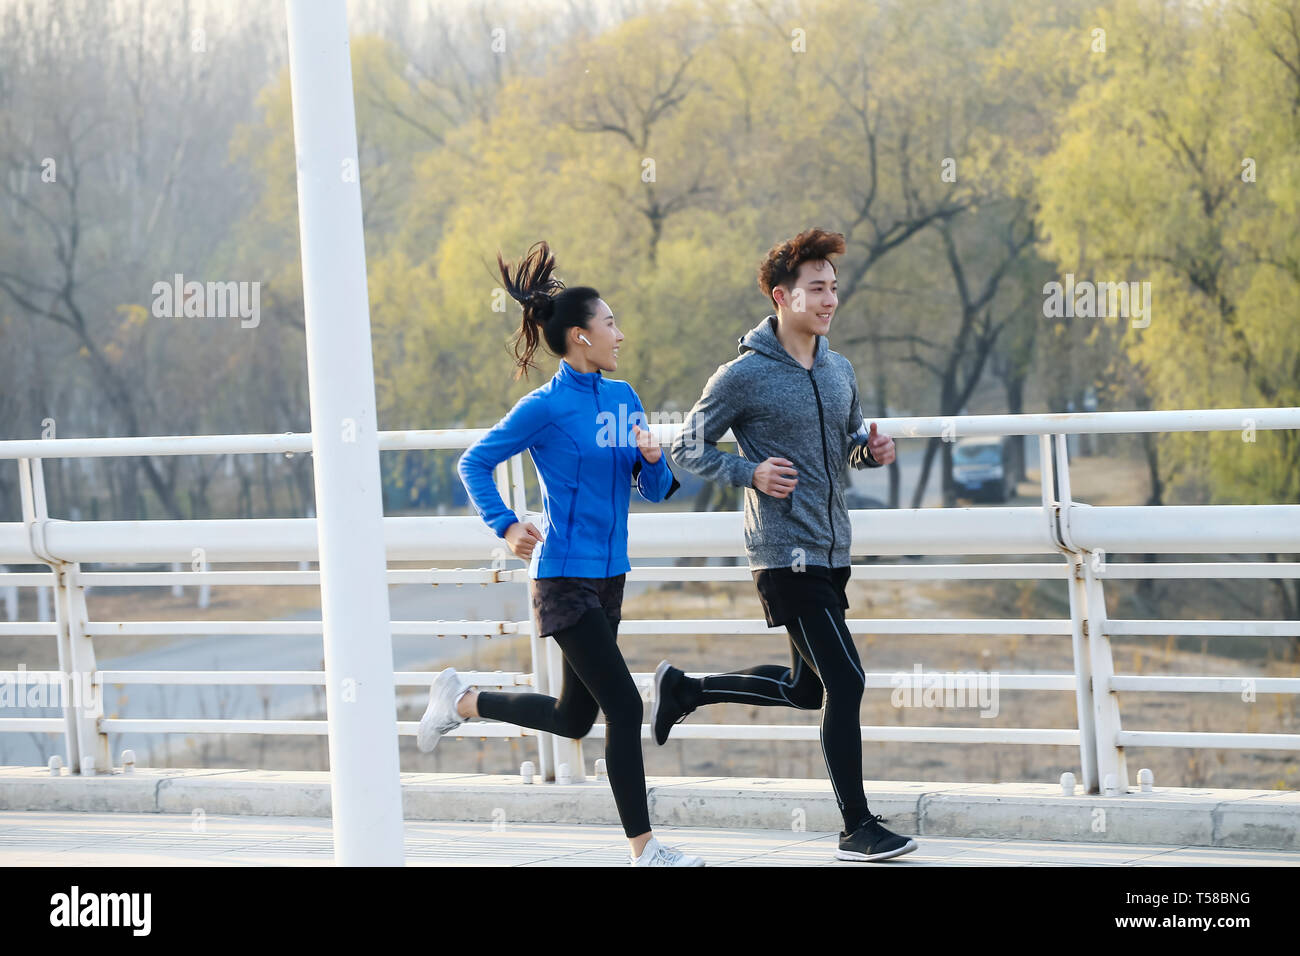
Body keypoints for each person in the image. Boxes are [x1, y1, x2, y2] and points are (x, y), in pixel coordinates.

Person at [416, 240, 703, 867]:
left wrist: (654, 459)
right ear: (579, 336)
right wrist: (507, 524)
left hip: (610, 578)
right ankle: (645, 849)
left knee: (576, 717)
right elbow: (475, 461)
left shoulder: (624, 397)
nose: (619, 334)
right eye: (609, 324)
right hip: (563, 578)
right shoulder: (545, 407)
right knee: (624, 706)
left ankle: (461, 701)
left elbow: (651, 491)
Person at [658, 227, 918, 862]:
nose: (830, 300)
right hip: (781, 554)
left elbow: (849, 443)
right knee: (847, 682)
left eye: (834, 288)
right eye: (816, 289)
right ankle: (857, 826)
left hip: (832, 552)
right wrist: (751, 473)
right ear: (782, 296)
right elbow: (686, 447)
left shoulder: (839, 368)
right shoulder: (743, 376)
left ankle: (687, 689)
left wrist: (873, 451)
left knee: (809, 689)